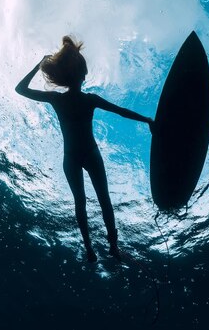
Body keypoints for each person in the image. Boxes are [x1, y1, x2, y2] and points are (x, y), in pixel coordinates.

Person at [16, 35, 153, 262]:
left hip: (72, 157)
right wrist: (146, 119)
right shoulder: (88, 99)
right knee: (103, 200)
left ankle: (91, 249)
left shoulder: (57, 99)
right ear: (82, 75)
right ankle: (112, 247)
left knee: (82, 203)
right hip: (89, 154)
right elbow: (121, 111)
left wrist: (39, 64)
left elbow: (20, 89)